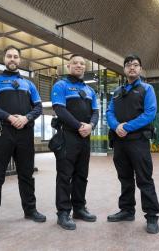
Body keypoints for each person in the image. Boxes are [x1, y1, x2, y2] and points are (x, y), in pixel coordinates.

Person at [0, 45, 45, 232]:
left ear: (20, 60)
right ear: (4, 59)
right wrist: (9, 117)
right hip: (2, 133)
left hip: (25, 133)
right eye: (9, 56)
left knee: (26, 175)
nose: (12, 59)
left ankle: (30, 210)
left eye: (16, 56)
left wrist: (26, 118)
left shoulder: (29, 84)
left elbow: (38, 107)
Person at [106, 54, 159, 234]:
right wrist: (116, 127)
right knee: (125, 178)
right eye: (128, 65)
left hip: (138, 141)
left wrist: (127, 127)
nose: (132, 68)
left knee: (144, 179)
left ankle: (152, 216)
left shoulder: (147, 89)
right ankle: (127, 210)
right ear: (124, 69)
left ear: (140, 69)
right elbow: (109, 112)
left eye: (135, 65)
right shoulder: (117, 92)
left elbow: (149, 113)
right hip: (120, 142)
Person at [50, 54, 99, 230]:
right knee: (65, 175)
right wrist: (79, 126)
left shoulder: (89, 90)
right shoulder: (61, 85)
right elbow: (60, 110)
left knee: (81, 175)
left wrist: (91, 126)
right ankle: (63, 213)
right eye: (75, 63)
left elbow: (96, 112)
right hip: (68, 136)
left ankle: (79, 208)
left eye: (82, 63)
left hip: (85, 137)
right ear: (68, 66)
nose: (79, 65)